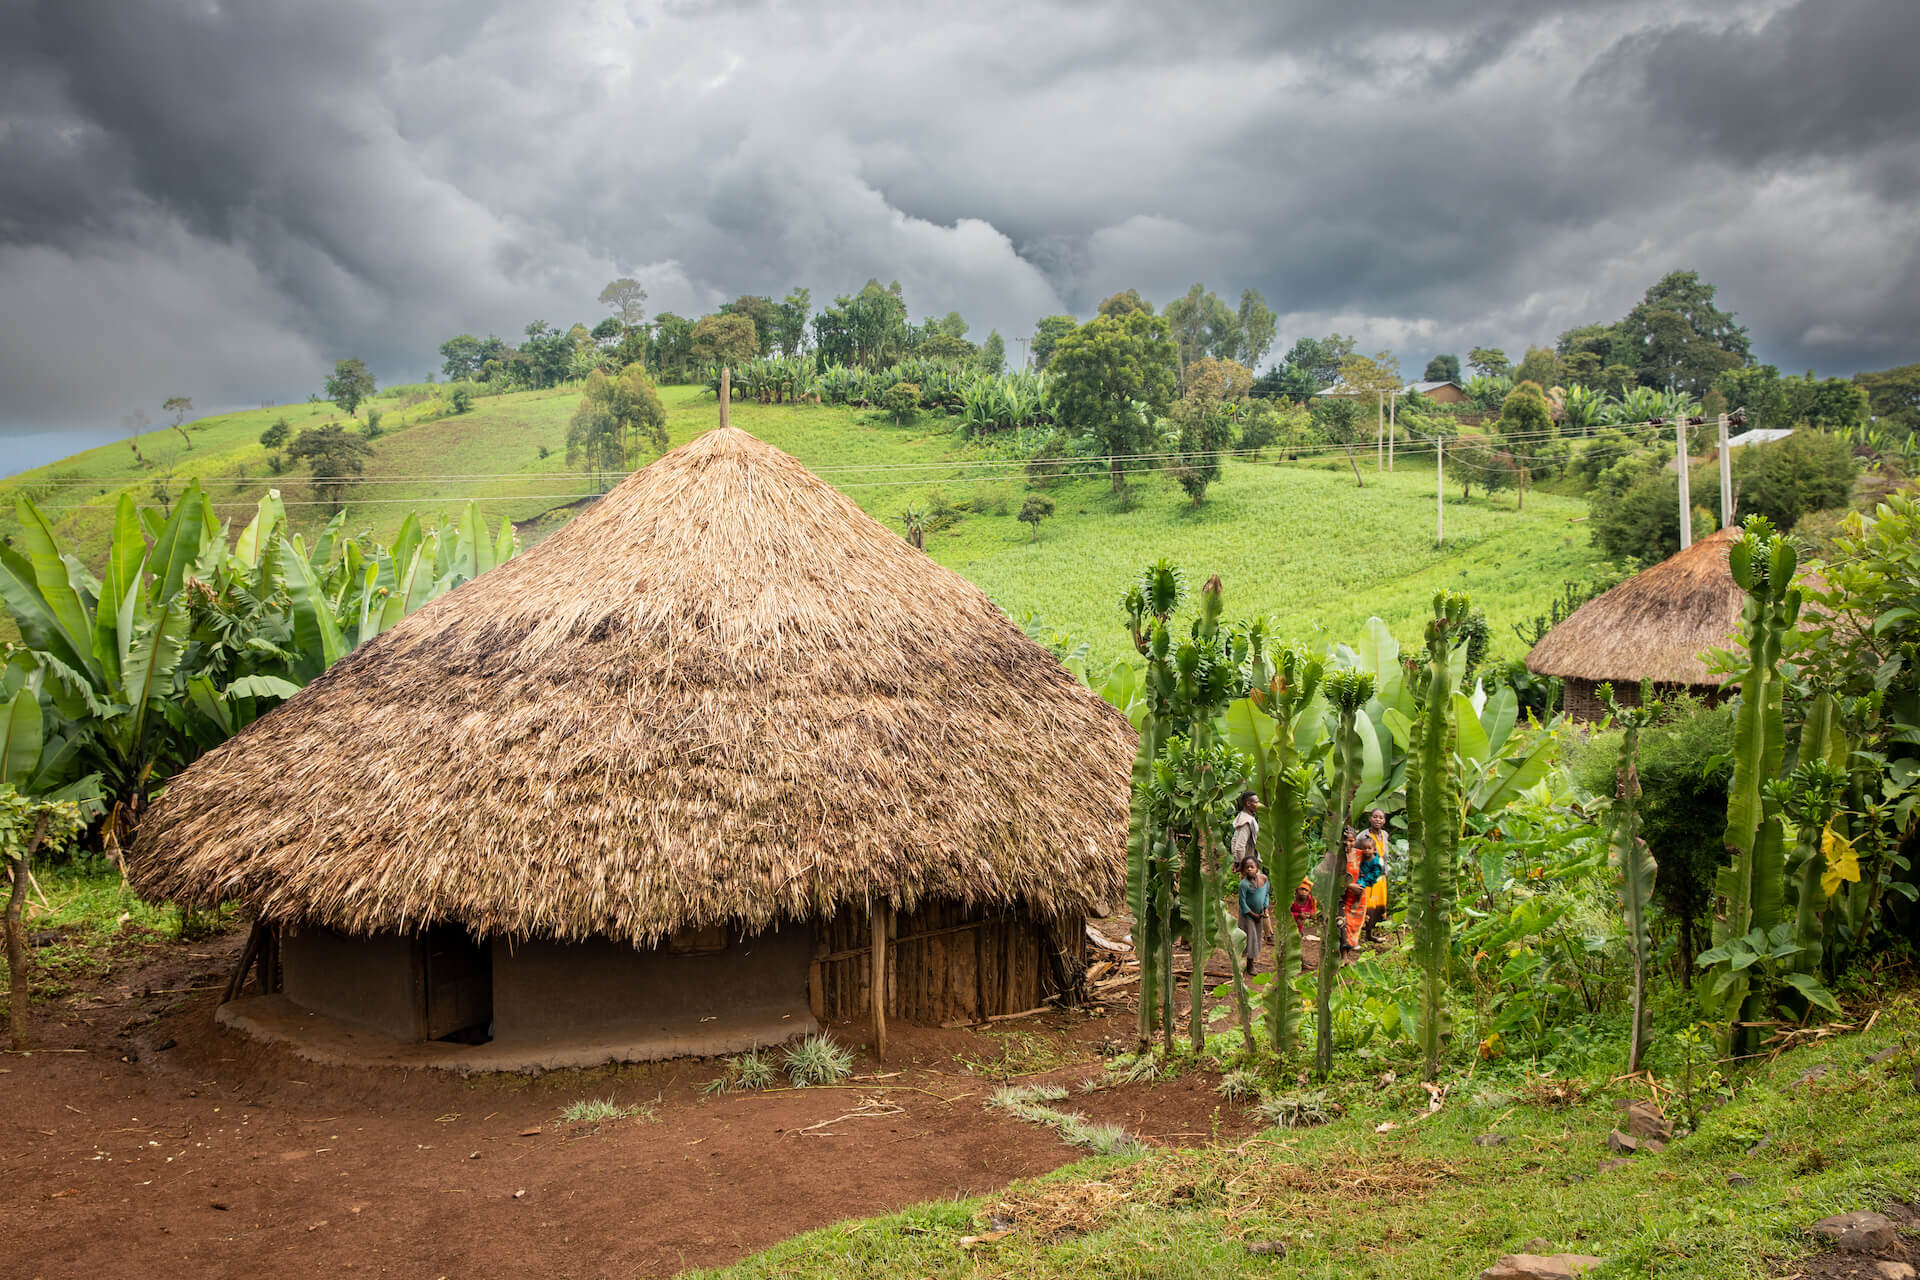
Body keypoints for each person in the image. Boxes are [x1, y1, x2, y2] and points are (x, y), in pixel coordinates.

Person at [1358, 808, 1391, 943]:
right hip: (1369, 876)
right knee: (1366, 906)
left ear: (1384, 821)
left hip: (1381, 876)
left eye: (1381, 817)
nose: (1378, 820)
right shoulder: (1363, 836)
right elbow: (1355, 854)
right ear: (1370, 818)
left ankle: (1370, 935)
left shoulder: (1385, 834)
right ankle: (1356, 935)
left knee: (1378, 907)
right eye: (1375, 817)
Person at [1237, 857, 1270, 973]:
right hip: (1247, 916)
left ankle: (1250, 963)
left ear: (1257, 868)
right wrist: (1252, 914)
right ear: (1243, 871)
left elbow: (1266, 894)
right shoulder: (1244, 884)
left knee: (1256, 938)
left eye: (1252, 867)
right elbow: (1242, 903)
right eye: (1247, 868)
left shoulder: (1264, 879)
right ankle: (1249, 966)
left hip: (1259, 914)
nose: (1249, 869)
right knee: (1249, 938)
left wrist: (1265, 908)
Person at [1230, 792, 1260, 871]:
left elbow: (1234, 841)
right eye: (1256, 802)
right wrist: (1243, 865)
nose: (1259, 805)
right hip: (1249, 865)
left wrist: (1236, 861)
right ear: (1248, 803)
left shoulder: (1243, 816)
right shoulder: (1246, 821)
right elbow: (1239, 847)